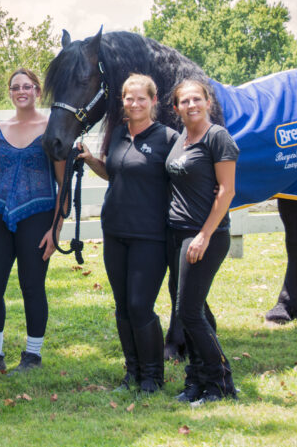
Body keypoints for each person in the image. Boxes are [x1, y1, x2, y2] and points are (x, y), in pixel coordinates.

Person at [78, 74, 178, 393]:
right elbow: (115, 173)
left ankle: (152, 377)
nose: (134, 104)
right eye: (129, 98)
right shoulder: (119, 134)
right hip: (115, 231)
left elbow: (183, 179)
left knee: (139, 305)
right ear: (122, 101)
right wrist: (91, 160)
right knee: (122, 306)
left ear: (153, 101)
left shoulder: (168, 138)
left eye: (141, 98)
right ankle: (132, 373)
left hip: (150, 235)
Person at [0, 68, 63, 376]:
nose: (21, 91)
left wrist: (55, 230)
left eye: (27, 86)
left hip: (39, 216)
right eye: (15, 87)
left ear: (37, 90)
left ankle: (32, 357)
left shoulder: (52, 128)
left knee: (32, 285)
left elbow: (63, 184)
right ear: (10, 93)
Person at [165, 79, 239, 405]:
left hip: (206, 235)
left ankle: (221, 384)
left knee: (190, 312)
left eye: (197, 99)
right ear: (176, 108)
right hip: (178, 233)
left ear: (208, 102)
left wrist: (204, 235)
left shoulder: (217, 137)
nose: (191, 105)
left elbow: (227, 190)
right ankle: (195, 381)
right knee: (187, 311)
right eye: (184, 101)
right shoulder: (181, 139)